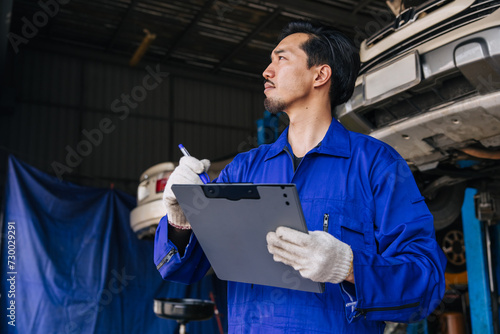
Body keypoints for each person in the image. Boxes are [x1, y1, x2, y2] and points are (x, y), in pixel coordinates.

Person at [154, 20, 446, 333]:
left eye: (281, 59)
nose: (267, 71)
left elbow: (425, 284)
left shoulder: (376, 165)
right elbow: (181, 269)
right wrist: (180, 219)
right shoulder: (243, 169)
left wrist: (347, 266)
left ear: (320, 74)